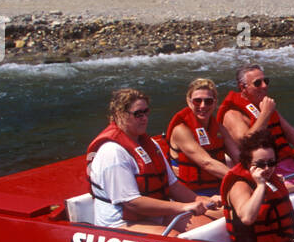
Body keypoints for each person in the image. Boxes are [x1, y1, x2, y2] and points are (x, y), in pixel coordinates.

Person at [87, 88, 220, 233]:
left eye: (146, 112)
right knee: (174, 239)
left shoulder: (151, 145)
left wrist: (198, 200)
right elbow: (132, 203)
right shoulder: (113, 152)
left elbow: (173, 186)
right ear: (120, 115)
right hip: (120, 223)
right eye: (138, 114)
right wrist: (183, 207)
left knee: (205, 227)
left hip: (152, 215)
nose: (144, 118)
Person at [217, 63, 294, 186]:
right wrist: (265, 114)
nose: (264, 86)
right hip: (265, 173)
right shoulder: (232, 114)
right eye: (257, 83)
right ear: (242, 87)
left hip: (290, 167)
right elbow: (247, 144)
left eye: (265, 81)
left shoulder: (266, 107)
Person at [165, 77, 228, 196]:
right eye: (197, 101)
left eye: (208, 101)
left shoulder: (219, 128)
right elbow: (207, 163)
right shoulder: (181, 130)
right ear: (189, 102)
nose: (203, 106)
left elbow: (238, 155)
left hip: (218, 186)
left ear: (215, 103)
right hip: (190, 193)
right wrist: (242, 177)